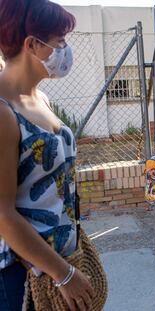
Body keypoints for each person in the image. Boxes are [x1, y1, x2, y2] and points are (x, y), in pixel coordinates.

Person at [0, 1, 94, 310]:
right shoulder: (3, 112)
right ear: (32, 45)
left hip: (59, 258)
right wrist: (63, 275)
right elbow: (3, 215)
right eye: (60, 42)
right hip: (22, 276)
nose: (66, 51)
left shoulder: (40, 97)